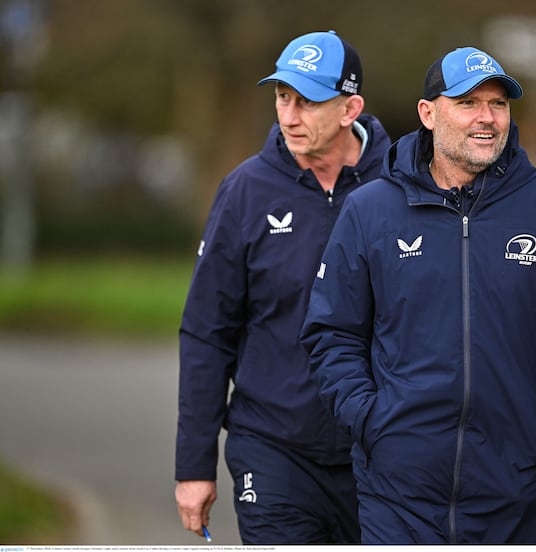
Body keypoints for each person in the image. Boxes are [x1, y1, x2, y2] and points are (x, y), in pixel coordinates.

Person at [299, 46, 536, 544]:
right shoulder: (370, 212)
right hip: (399, 496)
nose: (487, 118)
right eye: (468, 102)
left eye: (498, 104)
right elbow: (332, 333)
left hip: (519, 498)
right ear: (428, 114)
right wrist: (372, 421)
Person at [174, 30, 391, 544]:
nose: (288, 116)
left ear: (349, 107)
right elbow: (206, 332)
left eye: (308, 101)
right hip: (272, 447)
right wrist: (194, 465)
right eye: (281, 97)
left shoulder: (401, 184)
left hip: (380, 452)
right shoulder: (245, 191)